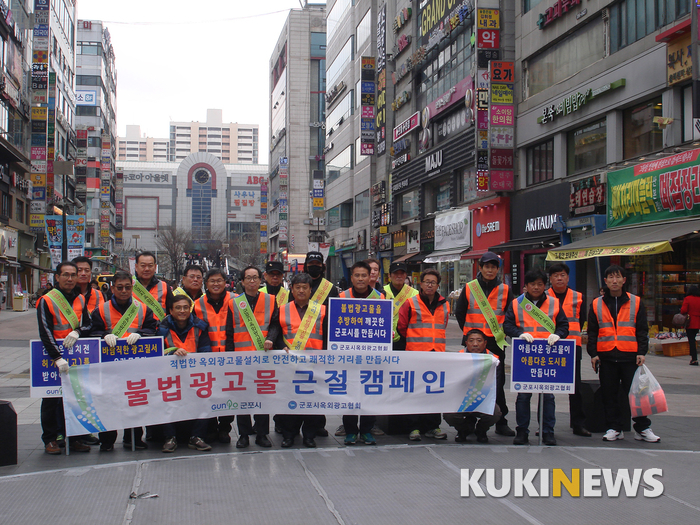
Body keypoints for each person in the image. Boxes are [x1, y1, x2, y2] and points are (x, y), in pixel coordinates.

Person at [588, 265, 660, 443]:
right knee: (609, 394)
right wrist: (593, 354)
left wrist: (642, 351)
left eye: (617, 277)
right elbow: (592, 331)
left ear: (623, 280)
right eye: (610, 278)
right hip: (607, 356)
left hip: (630, 356)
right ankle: (614, 427)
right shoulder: (597, 303)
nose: (614, 281)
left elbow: (642, 329)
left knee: (637, 394)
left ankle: (643, 428)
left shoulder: (635, 301)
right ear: (605, 281)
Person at [90, 270, 158, 451]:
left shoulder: (143, 309)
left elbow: (153, 329)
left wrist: (141, 335)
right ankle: (107, 440)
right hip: (109, 365)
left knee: (135, 400)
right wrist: (104, 335)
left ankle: (133, 438)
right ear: (112, 288)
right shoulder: (101, 310)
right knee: (108, 402)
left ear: (132, 288)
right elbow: (92, 332)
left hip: (136, 364)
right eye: (119, 287)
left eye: (128, 287)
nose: (123, 291)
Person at [504, 268, 569, 446]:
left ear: (545, 286)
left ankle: (548, 431)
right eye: (532, 284)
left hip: (548, 356)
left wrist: (559, 335)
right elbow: (507, 325)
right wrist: (519, 334)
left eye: (540, 284)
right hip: (525, 356)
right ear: (526, 286)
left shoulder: (554, 303)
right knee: (524, 396)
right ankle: (522, 431)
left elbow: (564, 326)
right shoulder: (517, 303)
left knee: (548, 396)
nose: (536, 287)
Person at [454, 252, 515, 437]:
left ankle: (500, 420)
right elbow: (460, 312)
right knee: (471, 381)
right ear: (480, 268)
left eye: (493, 267)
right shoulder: (470, 287)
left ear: (498, 269)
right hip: (473, 343)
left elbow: (510, 314)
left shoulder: (505, 289)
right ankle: (471, 420)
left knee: (497, 382)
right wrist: (470, 335)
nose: (490, 270)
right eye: (486, 266)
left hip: (496, 342)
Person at [37, 261, 92, 454]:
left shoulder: (80, 299)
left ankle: (74, 437)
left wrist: (77, 332)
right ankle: (50, 439)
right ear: (57, 277)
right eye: (65, 275)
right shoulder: (47, 300)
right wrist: (56, 357)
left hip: (75, 355)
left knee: (75, 397)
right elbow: (45, 331)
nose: (70, 279)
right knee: (51, 399)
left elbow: (88, 325)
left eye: (73, 275)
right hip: (53, 358)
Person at [225, 266, 278, 448]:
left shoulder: (271, 300)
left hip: (263, 357)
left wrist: (270, 338)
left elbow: (275, 324)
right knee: (243, 398)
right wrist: (230, 358)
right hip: (241, 359)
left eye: (255, 277)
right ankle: (244, 435)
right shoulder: (234, 303)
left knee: (262, 397)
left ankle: (262, 433)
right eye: (248, 278)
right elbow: (230, 332)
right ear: (242, 281)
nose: (252, 281)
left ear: (260, 280)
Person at [397, 268, 449, 442]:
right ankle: (413, 427)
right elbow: (402, 327)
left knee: (434, 391)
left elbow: (444, 326)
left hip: (437, 355)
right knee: (415, 391)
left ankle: (433, 426)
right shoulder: (411, 303)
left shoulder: (445, 304)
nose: (429, 285)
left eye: (433, 282)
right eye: (426, 281)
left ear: (437, 285)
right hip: (416, 355)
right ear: (421, 283)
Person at [156, 294, 213, 452]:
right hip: (169, 376)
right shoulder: (161, 329)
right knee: (165, 399)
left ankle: (197, 437)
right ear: (171, 311)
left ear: (190, 309)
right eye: (178, 308)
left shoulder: (200, 327)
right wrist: (171, 355)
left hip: (194, 375)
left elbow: (205, 351)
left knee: (205, 397)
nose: (182, 311)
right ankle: (169, 437)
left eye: (185, 307)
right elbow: (156, 354)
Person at [276, 273, 327, 448]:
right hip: (290, 364)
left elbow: (326, 335)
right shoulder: (283, 309)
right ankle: (289, 435)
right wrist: (280, 345)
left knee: (312, 402)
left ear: (310, 290)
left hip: (314, 364)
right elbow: (276, 330)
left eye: (305, 287)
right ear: (292, 289)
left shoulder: (321, 310)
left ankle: (309, 436)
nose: (301, 290)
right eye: (297, 287)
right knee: (289, 400)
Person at [338, 261, 385, 445]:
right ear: (351, 278)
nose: (360, 279)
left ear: (370, 277)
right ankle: (350, 430)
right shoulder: (342, 297)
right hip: (348, 356)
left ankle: (366, 430)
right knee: (349, 392)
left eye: (364, 275)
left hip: (371, 357)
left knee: (369, 392)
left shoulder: (380, 298)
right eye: (356, 275)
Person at [546, 263, 591, 437]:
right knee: (546, 388)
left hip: (572, 346)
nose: (559, 278)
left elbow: (581, 320)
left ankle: (578, 424)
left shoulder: (578, 297)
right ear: (550, 279)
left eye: (563, 275)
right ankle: (545, 424)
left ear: (568, 277)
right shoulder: (544, 296)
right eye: (556, 275)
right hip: (548, 346)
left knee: (576, 387)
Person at [193, 268, 234, 443]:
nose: (216, 284)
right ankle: (210, 428)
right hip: (206, 357)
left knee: (228, 394)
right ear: (206, 284)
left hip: (230, 356)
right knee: (208, 393)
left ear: (225, 282)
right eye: (212, 281)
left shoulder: (235, 300)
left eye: (219, 281)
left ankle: (225, 428)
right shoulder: (197, 304)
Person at [444, 329, 502, 443]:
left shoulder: (494, 359)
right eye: (471, 341)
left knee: (495, 413)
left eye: (479, 341)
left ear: (485, 343)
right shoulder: (457, 357)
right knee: (449, 415)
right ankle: (463, 430)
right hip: (461, 399)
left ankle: (481, 430)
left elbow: (497, 383)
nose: (475, 344)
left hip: (482, 398)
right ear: (466, 343)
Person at [303, 251, 339, 437]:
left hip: (321, 342)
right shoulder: (298, 283)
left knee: (318, 384)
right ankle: (288, 422)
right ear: (306, 265)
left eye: (317, 263)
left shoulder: (330, 288)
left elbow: (335, 316)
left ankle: (318, 424)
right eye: (311, 263)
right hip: (299, 342)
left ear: (323, 266)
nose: (314, 266)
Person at [384, 262, 418, 351]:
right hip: (384, 337)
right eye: (395, 273)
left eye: (402, 273)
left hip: (405, 338)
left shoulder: (414, 293)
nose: (399, 276)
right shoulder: (381, 292)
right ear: (389, 276)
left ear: (405, 275)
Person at [133, 251, 172, 324]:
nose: (147, 269)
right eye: (143, 265)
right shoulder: (129, 286)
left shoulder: (164, 287)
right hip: (132, 332)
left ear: (155, 267)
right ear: (136, 267)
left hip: (157, 332)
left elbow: (171, 312)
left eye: (150, 265)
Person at [681, 285, 700, 366]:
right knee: (693, 339)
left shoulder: (687, 299)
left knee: (691, 340)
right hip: (698, 322)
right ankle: (694, 357)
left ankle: (694, 358)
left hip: (690, 322)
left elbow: (683, 310)